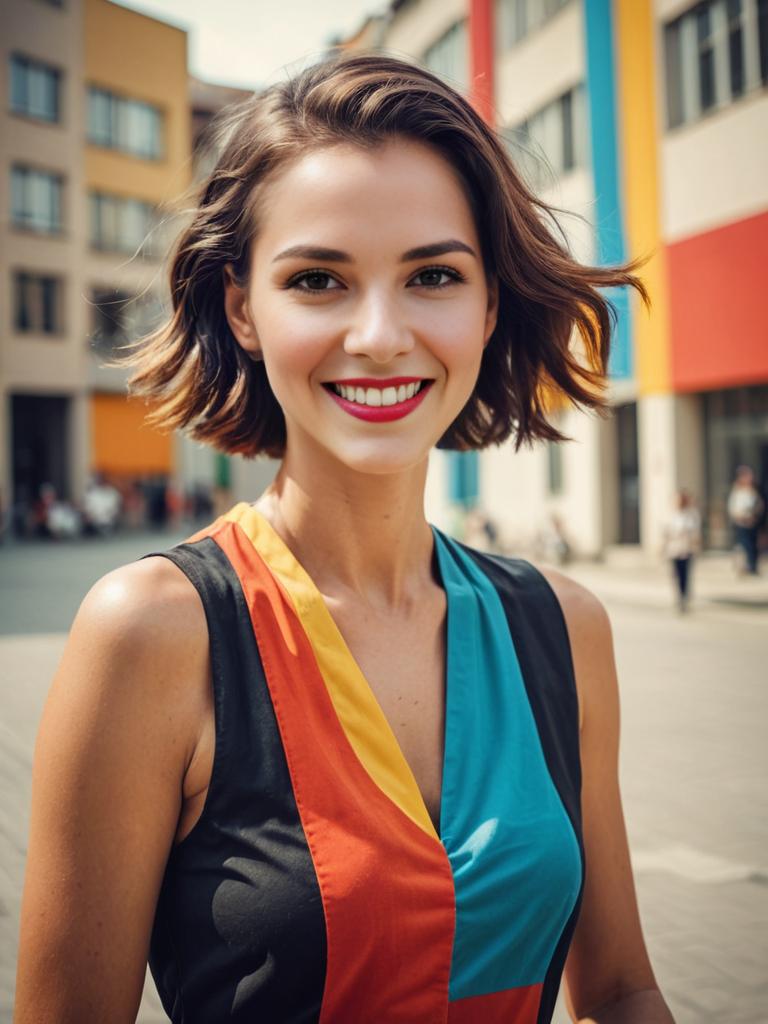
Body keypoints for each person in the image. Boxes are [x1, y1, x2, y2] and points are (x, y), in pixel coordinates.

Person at [15, 55, 674, 1023]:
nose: (378, 334)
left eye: (433, 275)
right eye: (319, 278)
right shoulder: (152, 636)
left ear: (489, 303)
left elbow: (620, 990)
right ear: (244, 305)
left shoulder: (564, 628)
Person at [662, 489, 701, 612]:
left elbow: (695, 533)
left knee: (685, 574)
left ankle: (685, 597)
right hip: (674, 549)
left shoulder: (691, 515)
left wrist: (695, 546)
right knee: (676, 574)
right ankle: (679, 598)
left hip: (686, 549)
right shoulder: (671, 515)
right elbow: (666, 532)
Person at [727, 465, 764, 575]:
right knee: (744, 545)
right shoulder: (737, 492)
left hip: (752, 522)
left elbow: (759, 506)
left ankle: (753, 566)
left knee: (753, 546)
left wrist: (754, 516)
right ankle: (746, 566)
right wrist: (739, 517)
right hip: (741, 522)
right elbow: (732, 507)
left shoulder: (754, 491)